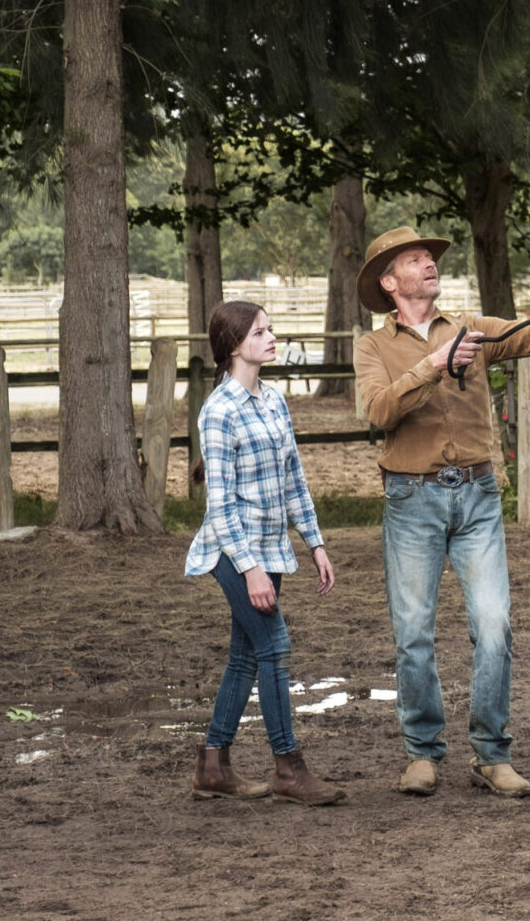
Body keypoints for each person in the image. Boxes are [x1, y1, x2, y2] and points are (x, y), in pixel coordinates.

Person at [353, 227, 530, 799]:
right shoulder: (372, 347)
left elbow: (524, 335)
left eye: (429, 258)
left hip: (478, 497)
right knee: (413, 633)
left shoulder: (473, 327)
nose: (429, 265)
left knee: (494, 626)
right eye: (415, 260)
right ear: (390, 284)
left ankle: (492, 754)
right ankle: (422, 753)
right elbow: (378, 411)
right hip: (411, 501)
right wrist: (434, 364)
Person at [184, 300, 346, 806]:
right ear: (236, 345)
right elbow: (222, 504)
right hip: (233, 552)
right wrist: (250, 569)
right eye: (261, 332)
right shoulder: (219, 412)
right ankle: (288, 768)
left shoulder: (275, 401)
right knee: (274, 646)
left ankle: (213, 767)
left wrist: (315, 543)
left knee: (245, 656)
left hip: (273, 549)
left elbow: (294, 481)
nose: (272, 338)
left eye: (271, 330)